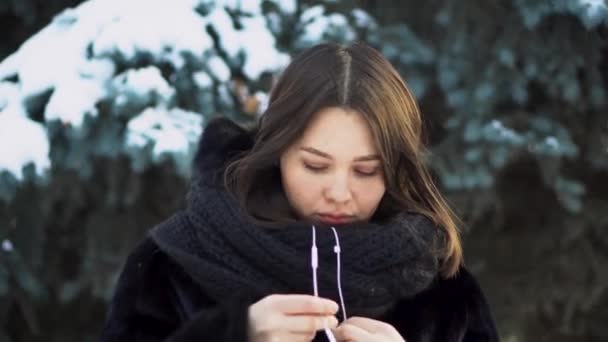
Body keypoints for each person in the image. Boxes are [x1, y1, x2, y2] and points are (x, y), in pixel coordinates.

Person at [100, 42, 499, 342]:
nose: (340, 192)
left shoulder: (437, 280)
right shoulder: (173, 263)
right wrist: (233, 334)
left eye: (366, 170)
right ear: (277, 153)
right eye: (315, 165)